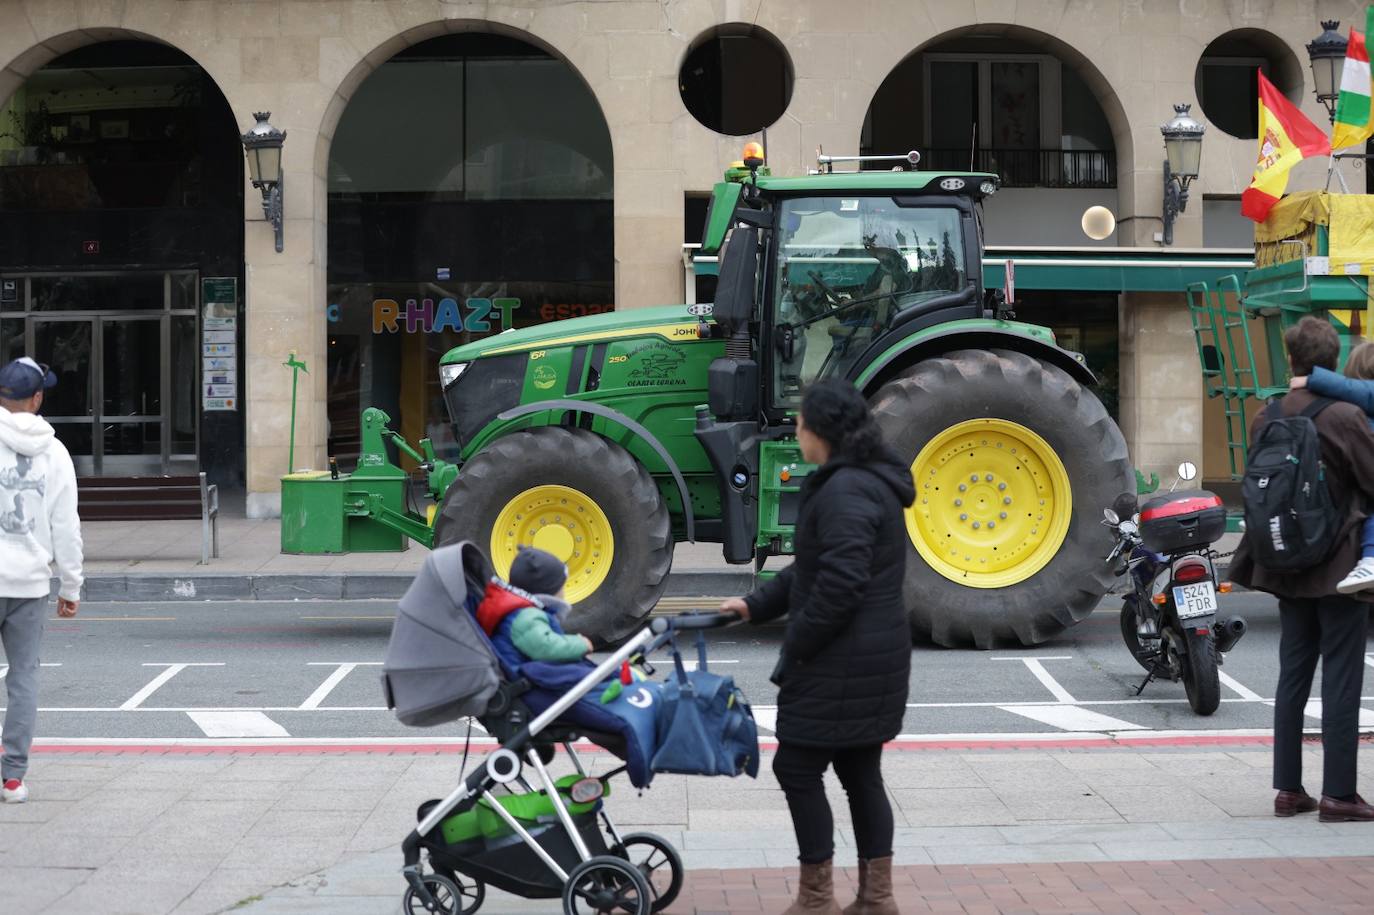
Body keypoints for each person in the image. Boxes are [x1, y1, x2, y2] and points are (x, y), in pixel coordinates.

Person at [720, 378, 914, 915]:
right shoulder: (866, 481)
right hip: (873, 656)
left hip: (843, 659)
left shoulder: (848, 488)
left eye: (802, 421)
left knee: (798, 770)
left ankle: (816, 901)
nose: (798, 430)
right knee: (859, 773)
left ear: (821, 431)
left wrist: (798, 643)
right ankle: (876, 899)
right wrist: (755, 606)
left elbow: (839, 583)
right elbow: (815, 568)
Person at [1229, 317, 1374, 822]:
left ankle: (1288, 789)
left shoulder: (1265, 417)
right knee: (1341, 678)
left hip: (1283, 562)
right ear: (1334, 363)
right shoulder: (1344, 416)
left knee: (1292, 676)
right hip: (1338, 566)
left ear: (1289, 359)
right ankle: (1339, 794)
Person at [0, 357, 83, 804]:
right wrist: (71, 587)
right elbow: (66, 527)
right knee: (24, 678)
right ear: (37, 398)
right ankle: (12, 777)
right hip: (29, 584)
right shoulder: (55, 453)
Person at [1290, 340, 1374, 593]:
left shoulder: (1359, 396)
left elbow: (1351, 388)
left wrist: (1311, 380)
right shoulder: (1352, 405)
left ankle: (1370, 559)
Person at [476, 545, 592, 673]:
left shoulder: (525, 612)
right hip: (527, 681)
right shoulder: (525, 617)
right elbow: (545, 648)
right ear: (549, 590)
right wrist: (581, 644)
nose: (563, 592)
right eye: (561, 587)